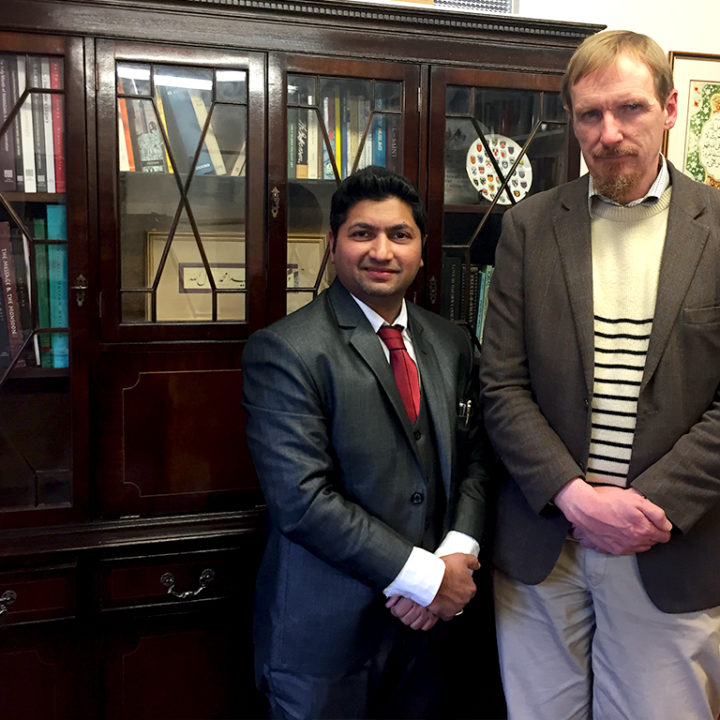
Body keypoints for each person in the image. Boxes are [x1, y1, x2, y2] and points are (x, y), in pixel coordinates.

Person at [480, 29, 720, 720]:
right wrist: (577, 498)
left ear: (670, 109)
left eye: (629, 109)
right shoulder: (528, 227)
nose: (608, 134)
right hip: (543, 546)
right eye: (590, 114)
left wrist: (645, 509)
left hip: (670, 546)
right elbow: (501, 382)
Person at [242, 166, 490, 720]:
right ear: (333, 246)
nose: (382, 250)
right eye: (362, 234)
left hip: (430, 637)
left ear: (422, 251)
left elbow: (477, 458)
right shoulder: (286, 350)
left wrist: (456, 556)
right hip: (326, 641)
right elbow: (302, 500)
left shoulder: (452, 343)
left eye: (400, 235)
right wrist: (428, 581)